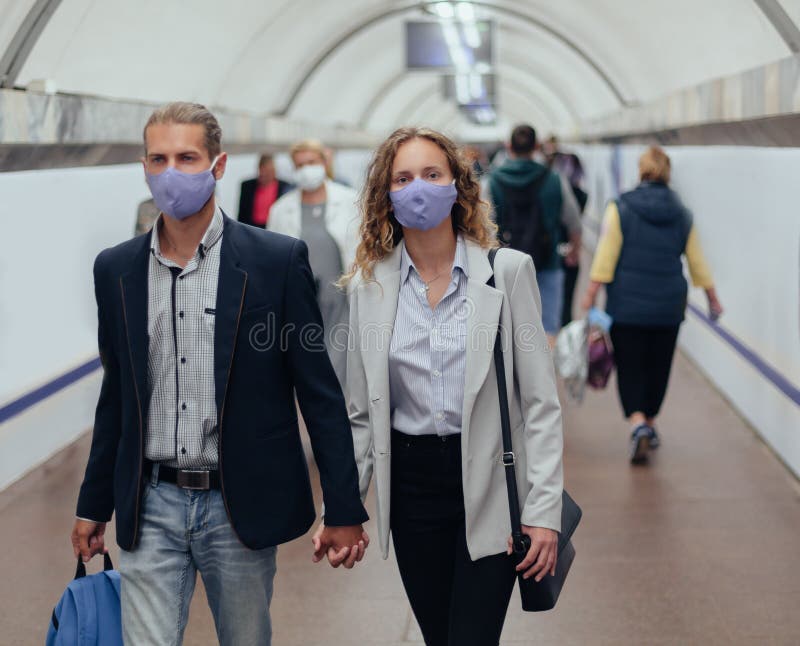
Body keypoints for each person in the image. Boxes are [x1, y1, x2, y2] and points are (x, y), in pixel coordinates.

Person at [70, 102, 369, 646]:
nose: (171, 173)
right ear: (143, 167)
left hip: (238, 503)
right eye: (158, 159)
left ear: (219, 164)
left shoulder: (275, 261)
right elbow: (118, 396)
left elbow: (318, 392)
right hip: (150, 500)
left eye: (187, 158)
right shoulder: (117, 269)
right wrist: (93, 503)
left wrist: (345, 506)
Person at [332, 127, 564, 645]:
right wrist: (344, 507)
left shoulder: (507, 274)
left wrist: (543, 512)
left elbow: (541, 406)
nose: (419, 187)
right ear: (386, 196)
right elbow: (361, 415)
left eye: (432, 174)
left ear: (458, 187)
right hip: (412, 491)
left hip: (491, 484)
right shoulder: (369, 289)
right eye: (404, 177)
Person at [581, 146, 723, 464]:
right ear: (667, 173)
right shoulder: (683, 213)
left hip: (626, 305)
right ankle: (651, 422)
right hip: (668, 306)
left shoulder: (621, 208)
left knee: (630, 366)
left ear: (641, 170)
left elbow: (605, 257)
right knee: (659, 367)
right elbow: (697, 262)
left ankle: (637, 423)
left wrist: (590, 295)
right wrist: (712, 298)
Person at [268, 139, 359, 387]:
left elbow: (362, 248)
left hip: (341, 294)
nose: (307, 169)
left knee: (340, 353)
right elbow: (273, 257)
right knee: (307, 351)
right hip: (303, 295)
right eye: (300, 165)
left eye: (312, 162)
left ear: (323, 162)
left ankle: (338, 402)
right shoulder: (280, 209)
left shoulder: (350, 201)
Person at [488, 124, 582, 342]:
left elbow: (486, 227)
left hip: (506, 266)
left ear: (509, 146)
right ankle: (544, 372)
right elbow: (574, 222)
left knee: (510, 326)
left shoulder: (492, 181)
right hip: (548, 261)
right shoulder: (555, 179)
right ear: (537, 146)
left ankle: (516, 374)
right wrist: (574, 252)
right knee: (547, 325)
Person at [541, 135, 589, 327]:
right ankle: (564, 347)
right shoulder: (582, 195)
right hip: (568, 251)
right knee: (566, 304)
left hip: (551, 251)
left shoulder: (550, 188)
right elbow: (575, 224)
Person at [236, 153, 292, 227]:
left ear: (274, 171)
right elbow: (242, 213)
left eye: (268, 171)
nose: (265, 174)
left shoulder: (285, 187)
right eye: (263, 171)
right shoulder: (247, 186)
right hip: (252, 227)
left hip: (274, 227)